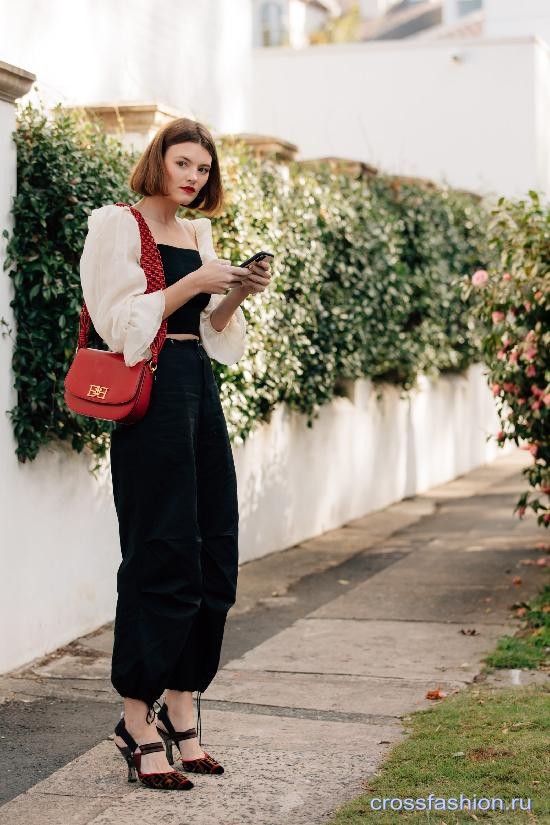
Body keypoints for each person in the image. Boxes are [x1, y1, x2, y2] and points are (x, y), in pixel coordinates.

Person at [79, 117, 272, 790]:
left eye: (202, 169)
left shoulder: (197, 233)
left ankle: (183, 707)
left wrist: (234, 295)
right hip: (150, 397)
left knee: (215, 554)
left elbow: (212, 334)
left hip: (198, 389)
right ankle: (137, 719)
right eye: (182, 163)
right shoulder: (118, 226)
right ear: (157, 161)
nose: (193, 177)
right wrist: (194, 285)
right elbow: (121, 324)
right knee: (159, 555)